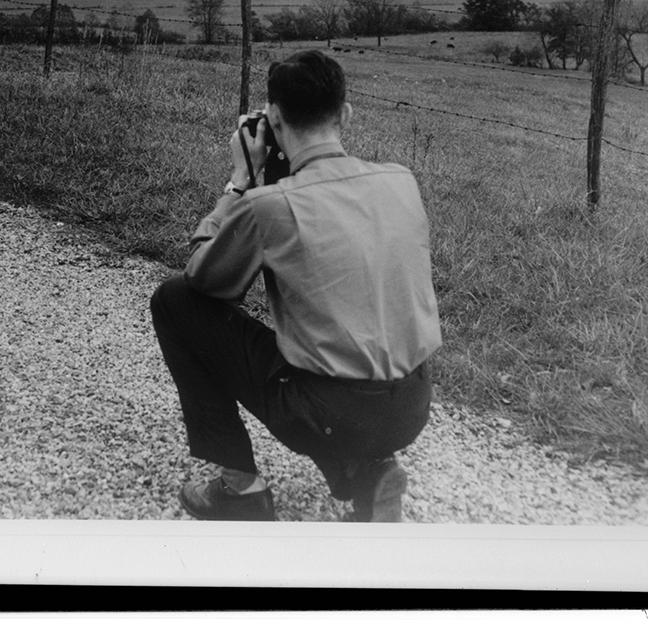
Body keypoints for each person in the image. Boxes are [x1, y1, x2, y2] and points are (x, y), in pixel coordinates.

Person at [150, 48, 440, 521]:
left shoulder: (268, 207)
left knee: (174, 300)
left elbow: (204, 279)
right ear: (345, 113)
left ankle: (239, 488)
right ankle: (368, 472)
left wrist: (240, 182)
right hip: (411, 406)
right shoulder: (401, 181)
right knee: (342, 359)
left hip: (327, 416)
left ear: (274, 117)